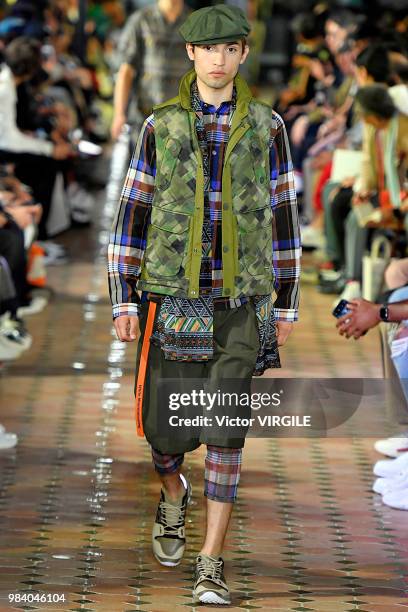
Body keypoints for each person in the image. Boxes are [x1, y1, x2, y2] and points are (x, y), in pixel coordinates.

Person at [108, 4, 301, 605]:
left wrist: (288, 302)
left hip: (240, 301)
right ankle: (173, 494)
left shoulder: (267, 128)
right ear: (189, 54)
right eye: (208, 49)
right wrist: (124, 297)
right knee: (164, 434)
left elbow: (284, 215)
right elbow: (132, 213)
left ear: (243, 54)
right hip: (172, 298)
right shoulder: (159, 126)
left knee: (226, 431)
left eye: (230, 49)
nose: (219, 59)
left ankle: (210, 562)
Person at [110, 0, 192, 141]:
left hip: (183, 122)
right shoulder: (141, 20)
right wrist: (119, 113)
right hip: (145, 119)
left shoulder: (196, 22)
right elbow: (126, 70)